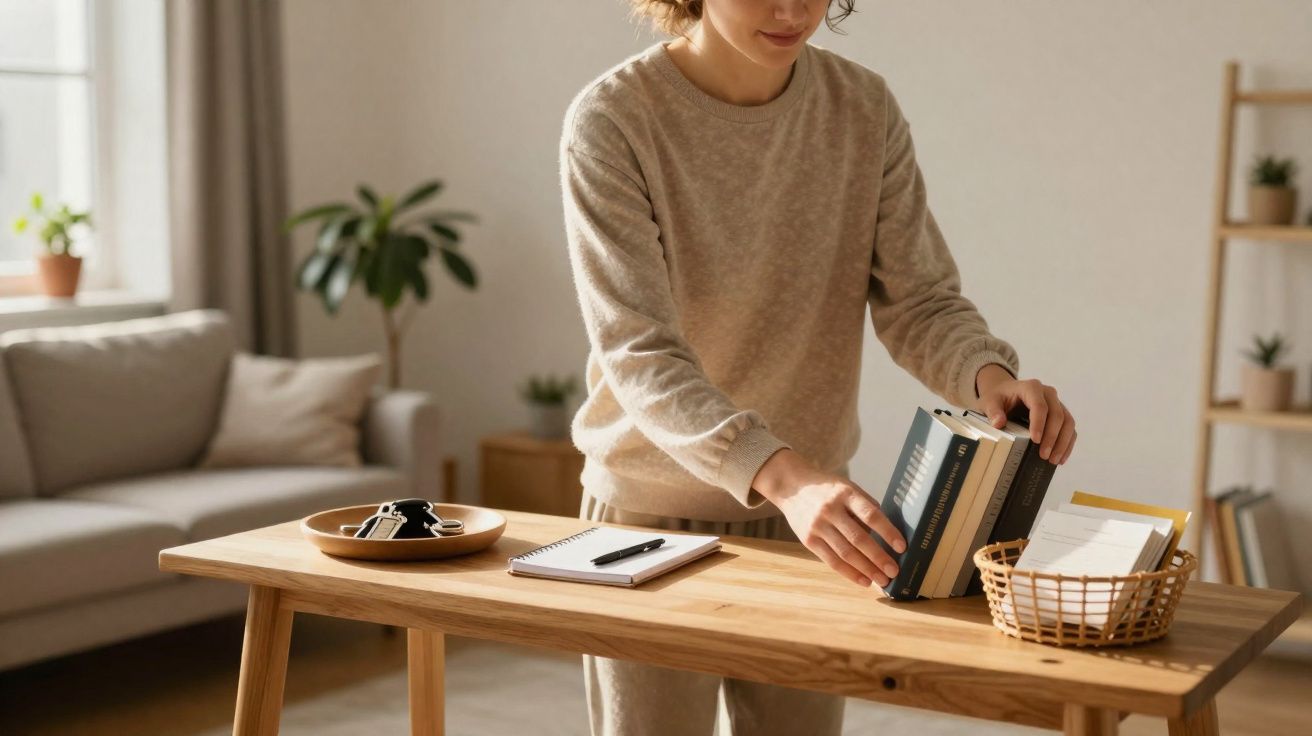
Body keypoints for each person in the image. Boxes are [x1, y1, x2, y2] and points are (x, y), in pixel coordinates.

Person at [558, 1, 1077, 734]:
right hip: (651, 513)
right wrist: (783, 475)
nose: (793, 9)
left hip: (814, 521)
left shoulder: (862, 109)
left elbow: (920, 300)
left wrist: (991, 378)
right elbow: (638, 353)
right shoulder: (614, 118)